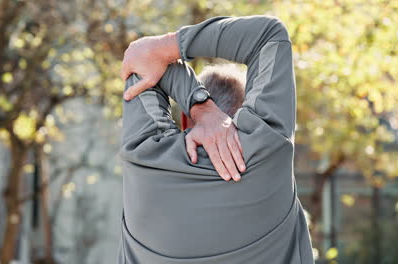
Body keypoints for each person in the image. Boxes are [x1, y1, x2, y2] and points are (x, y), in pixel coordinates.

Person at [117, 15, 314, 264]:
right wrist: (208, 111)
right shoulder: (267, 150)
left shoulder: (144, 158)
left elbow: (138, 64)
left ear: (186, 121)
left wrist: (200, 106)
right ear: (244, 114)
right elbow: (268, 35)